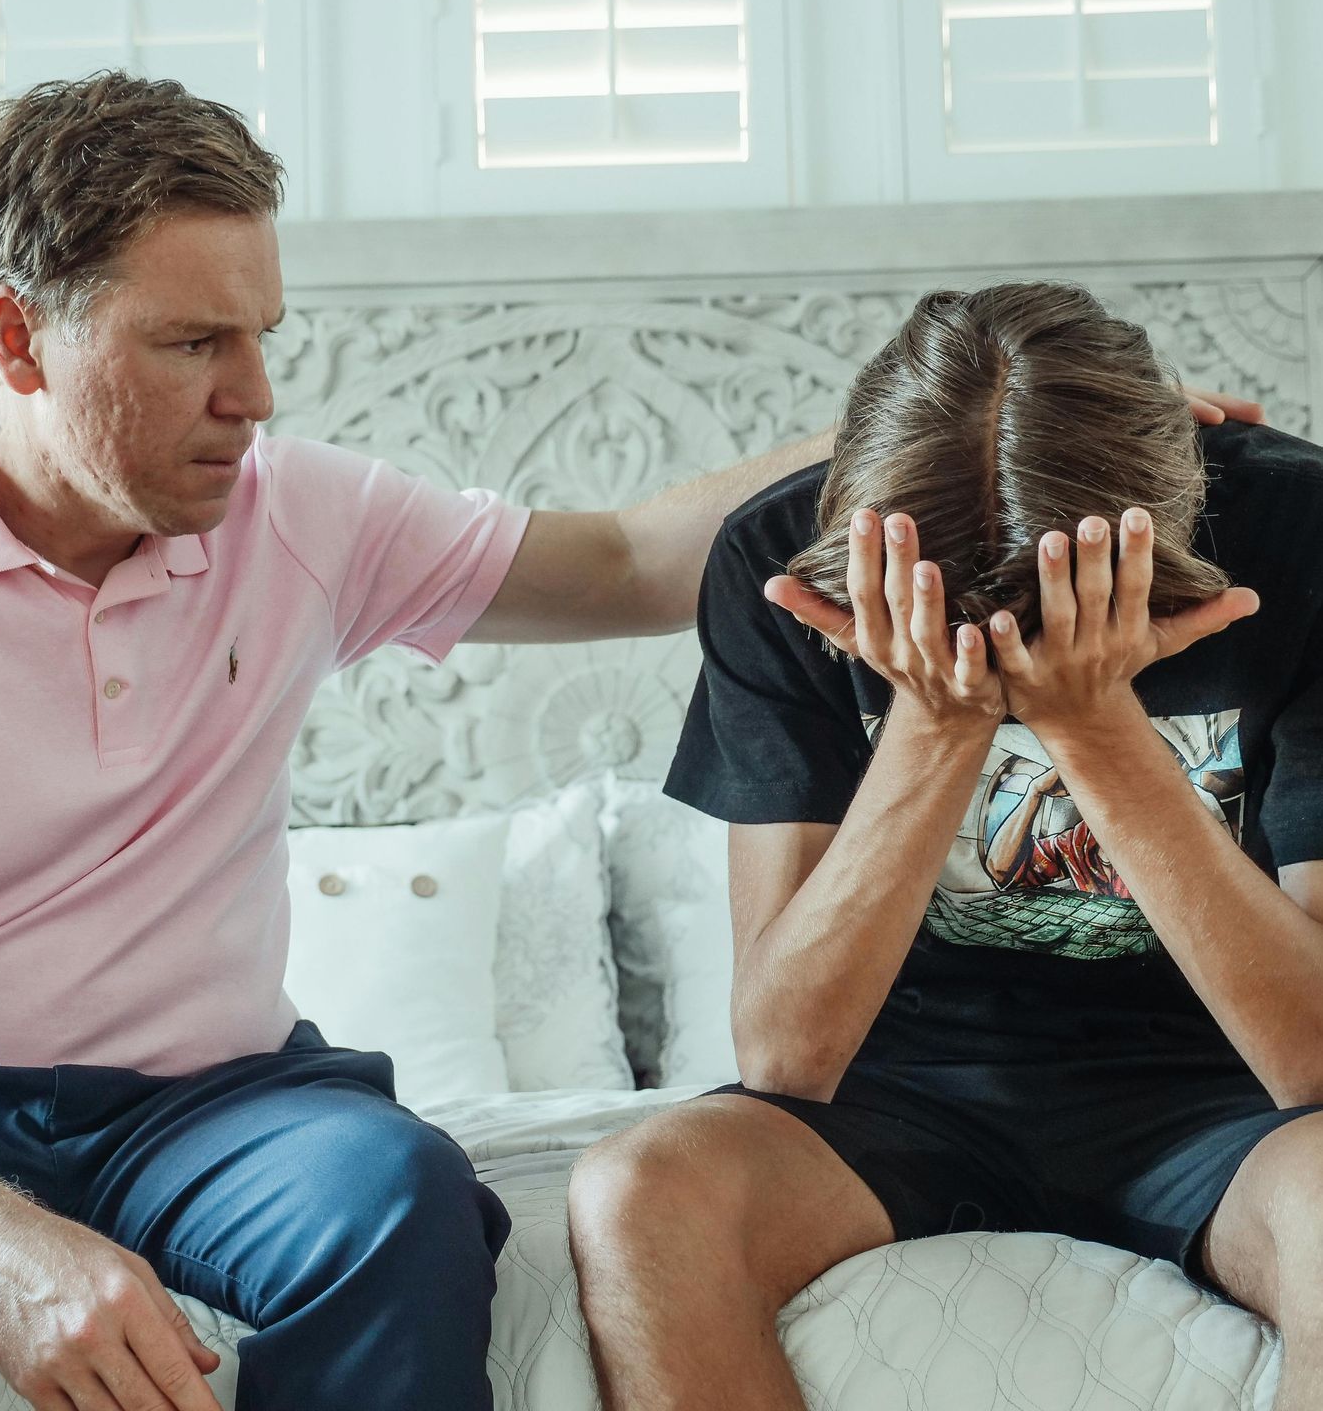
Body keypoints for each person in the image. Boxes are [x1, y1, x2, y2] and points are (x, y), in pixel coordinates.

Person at [0, 71, 836, 1411]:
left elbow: (621, 564)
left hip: (218, 1112)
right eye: (191, 344)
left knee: (398, 1201)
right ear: (17, 340)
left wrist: (905, 427)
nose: (251, 396)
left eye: (261, 336)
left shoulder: (295, 515)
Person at [567, 281, 1323, 1410]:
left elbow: (1313, 1059)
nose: (1006, 669)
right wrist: (938, 719)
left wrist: (1095, 730)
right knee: (636, 1192)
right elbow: (785, 1055)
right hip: (892, 1089)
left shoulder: (1300, 538)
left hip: (1232, 1097)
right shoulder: (782, 559)